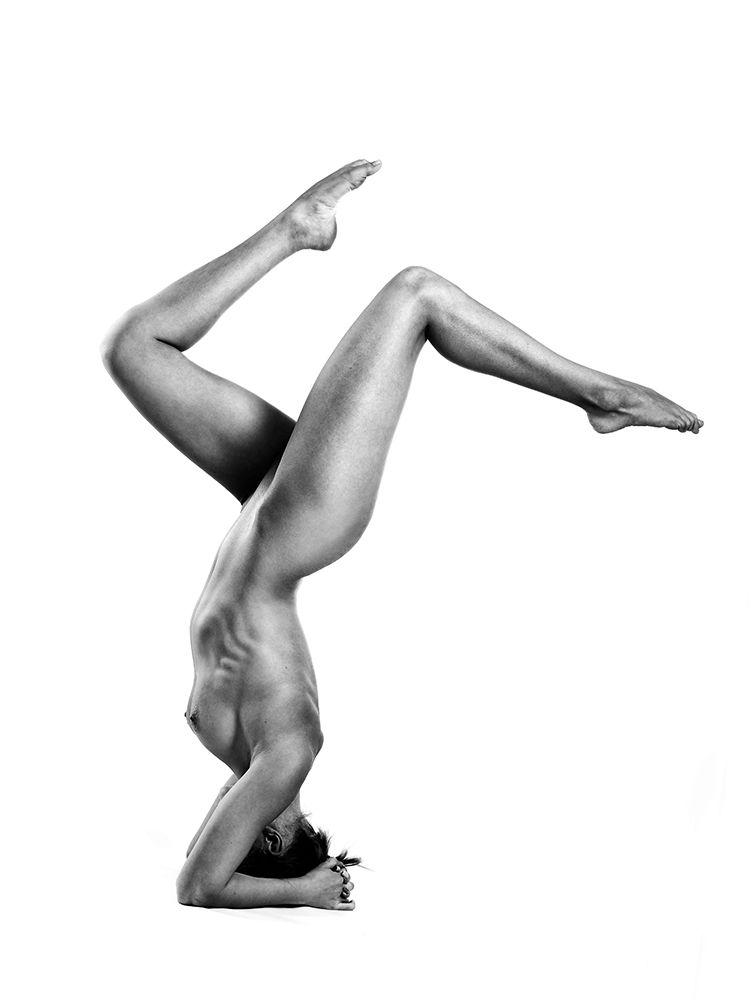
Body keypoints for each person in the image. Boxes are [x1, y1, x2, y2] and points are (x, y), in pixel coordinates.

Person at [101, 158, 702, 911]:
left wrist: (301, 888)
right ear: (266, 833)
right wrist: (306, 888)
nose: (227, 809)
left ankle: (294, 232)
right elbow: (201, 878)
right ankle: (599, 395)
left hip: (263, 506)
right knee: (415, 294)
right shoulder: (288, 748)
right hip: (302, 522)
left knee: (133, 349)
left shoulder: (252, 756)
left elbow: (198, 878)